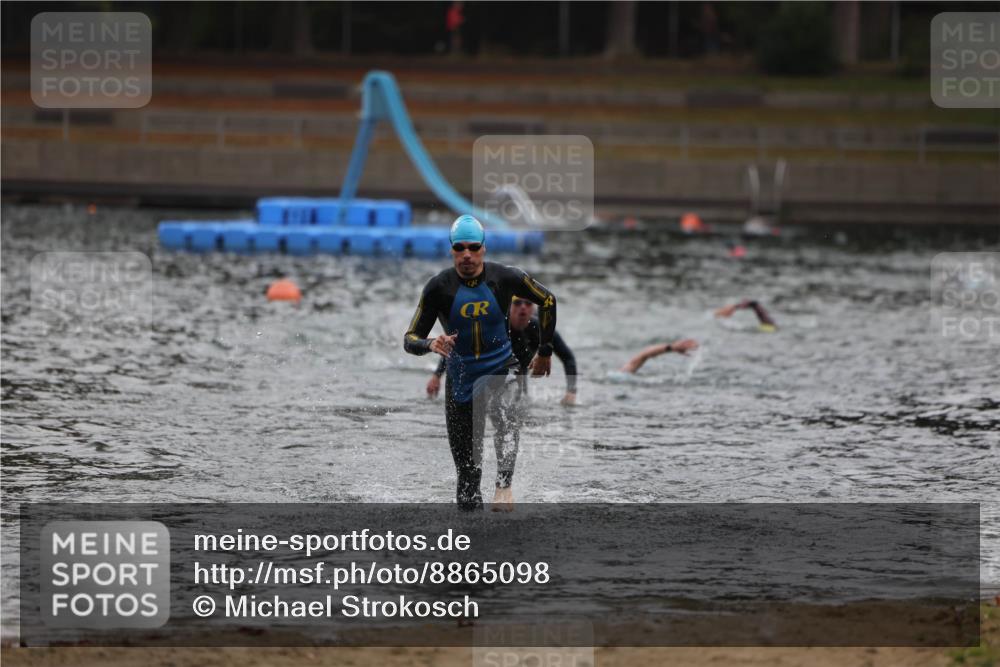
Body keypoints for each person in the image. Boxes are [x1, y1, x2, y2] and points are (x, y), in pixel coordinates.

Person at [404, 215, 557, 511]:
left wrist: (546, 351)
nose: (467, 255)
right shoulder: (438, 288)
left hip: (503, 368)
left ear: (484, 248)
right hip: (461, 380)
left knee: (506, 415)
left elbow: (548, 300)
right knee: (467, 482)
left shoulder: (505, 277)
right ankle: (469, 547)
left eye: (473, 248)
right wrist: (430, 344)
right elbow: (409, 338)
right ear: (451, 251)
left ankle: (504, 486)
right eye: (459, 248)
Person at [427, 297, 577, 406]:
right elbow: (457, 347)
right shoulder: (492, 326)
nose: (523, 307)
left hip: (520, 370)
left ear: (533, 309)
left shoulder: (540, 330)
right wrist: (436, 376)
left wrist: (571, 391)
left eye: (528, 303)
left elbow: (568, 358)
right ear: (508, 307)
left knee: (521, 405)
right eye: (517, 303)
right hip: (492, 370)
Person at [619, 339, 699, 374]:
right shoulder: (618, 376)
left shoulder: (619, 375)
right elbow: (643, 356)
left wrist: (671, 347)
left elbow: (643, 355)